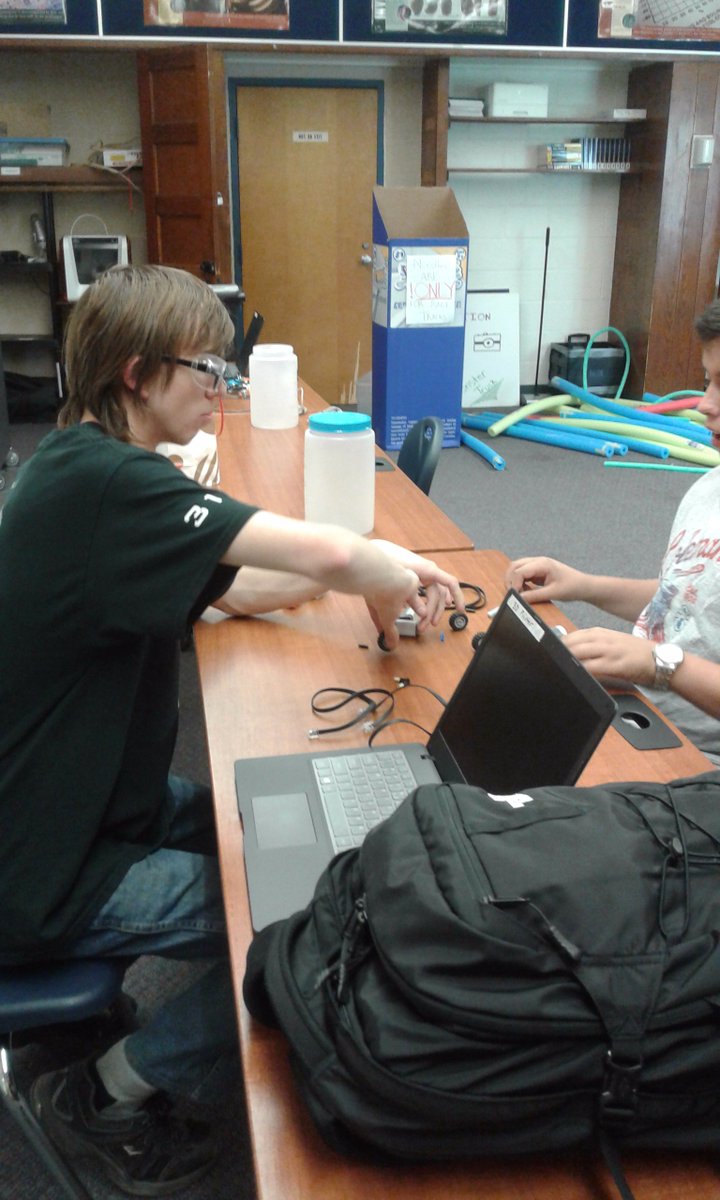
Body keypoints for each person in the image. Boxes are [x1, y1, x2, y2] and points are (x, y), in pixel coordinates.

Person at [0, 263, 464, 1196]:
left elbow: (241, 585)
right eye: (204, 370)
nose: (219, 390)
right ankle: (109, 1092)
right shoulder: (110, 485)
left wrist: (357, 578)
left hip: (88, 800)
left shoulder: (80, 466)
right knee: (313, 925)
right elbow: (319, 547)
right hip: (42, 865)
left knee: (274, 830)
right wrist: (374, 561)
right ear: (137, 374)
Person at [505, 297, 720, 767]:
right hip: (639, 707)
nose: (706, 404)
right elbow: (685, 600)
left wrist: (660, 664)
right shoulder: (709, 488)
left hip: (696, 761)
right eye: (708, 381)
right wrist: (583, 585)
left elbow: (668, 657)